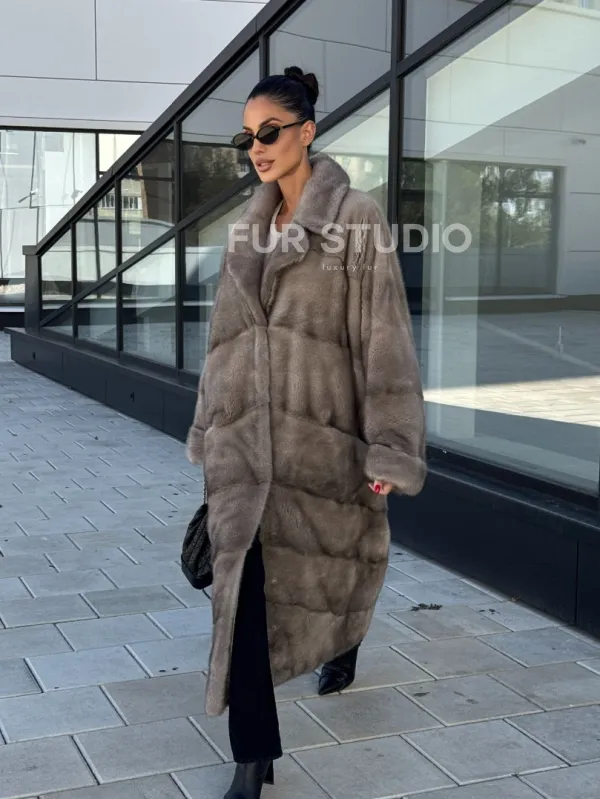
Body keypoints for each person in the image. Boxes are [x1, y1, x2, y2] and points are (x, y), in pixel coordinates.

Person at [186, 65, 426, 799]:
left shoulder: (356, 217)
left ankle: (343, 640)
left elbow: (385, 338)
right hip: (245, 449)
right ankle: (254, 754)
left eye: (270, 132)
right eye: (247, 137)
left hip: (322, 444)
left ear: (307, 131)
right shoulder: (246, 228)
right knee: (237, 589)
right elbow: (223, 340)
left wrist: (389, 445)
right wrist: (208, 427)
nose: (256, 147)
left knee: (335, 564)